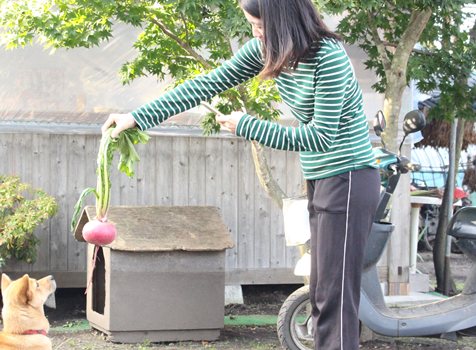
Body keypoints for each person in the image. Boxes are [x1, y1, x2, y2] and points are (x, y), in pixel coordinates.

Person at [102, 0, 380, 348]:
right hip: (323, 178)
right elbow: (205, 85)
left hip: (350, 177)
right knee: (322, 294)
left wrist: (247, 125)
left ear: (283, 18)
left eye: (259, 25)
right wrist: (137, 117)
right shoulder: (271, 50)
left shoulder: (328, 57)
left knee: (334, 301)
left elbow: (319, 137)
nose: (255, 32)